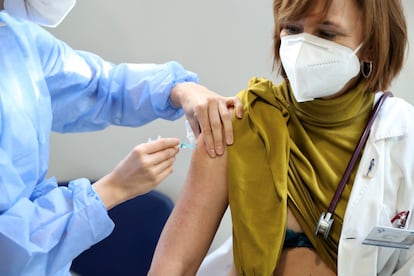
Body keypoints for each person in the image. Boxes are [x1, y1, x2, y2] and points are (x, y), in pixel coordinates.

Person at [148, 0, 414, 275]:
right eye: (292, 28)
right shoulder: (240, 122)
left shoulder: (405, 136)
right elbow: (173, 266)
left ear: (370, 45)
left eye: (326, 33)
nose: (303, 47)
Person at [0, 0, 243, 275]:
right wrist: (112, 189)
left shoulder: (14, 37)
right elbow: (8, 248)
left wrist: (178, 89)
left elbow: (100, 85)